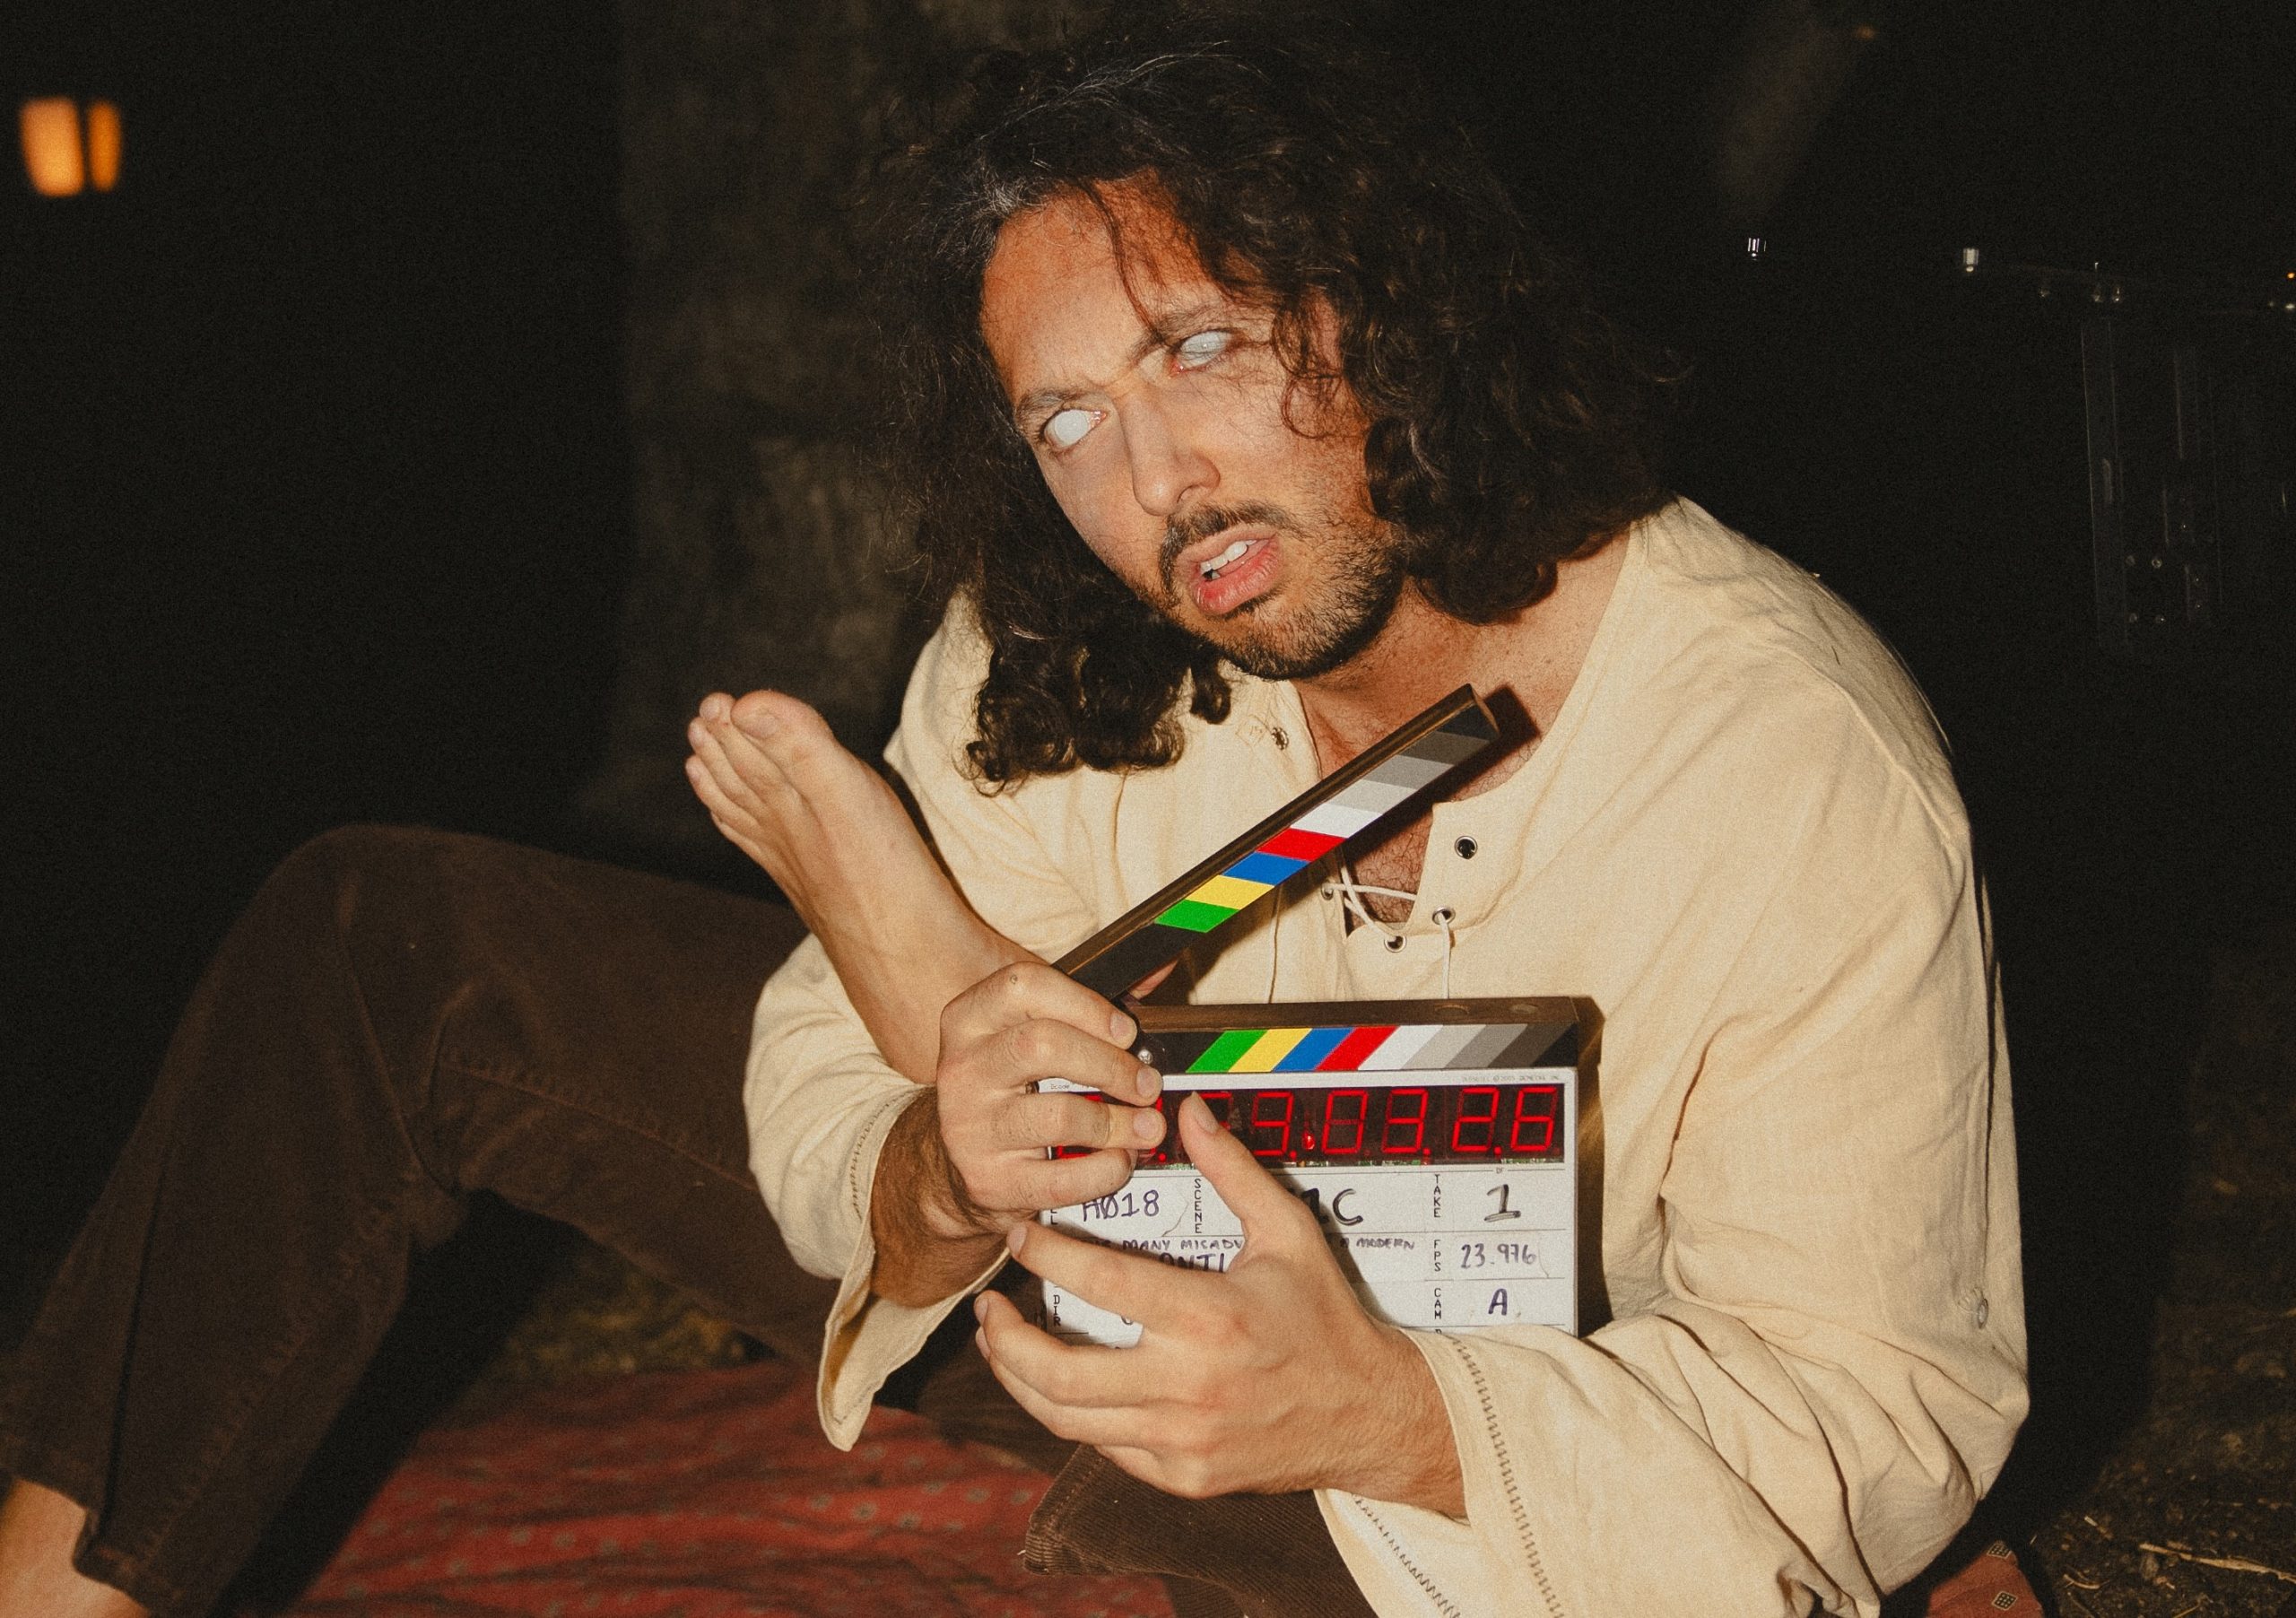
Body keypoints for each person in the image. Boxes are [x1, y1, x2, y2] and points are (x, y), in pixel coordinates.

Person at [0, 15, 2025, 1618]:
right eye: (1066, 419)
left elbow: (1883, 1407)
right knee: (392, 936)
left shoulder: (1789, 759)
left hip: (1459, 1448)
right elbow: (824, 1050)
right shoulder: (1071, 636)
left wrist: (1395, 1415)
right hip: (1053, 1266)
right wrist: (930, 1173)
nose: (1158, 483)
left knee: (1231, 1539)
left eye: (1198, 348)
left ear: (1391, 304)